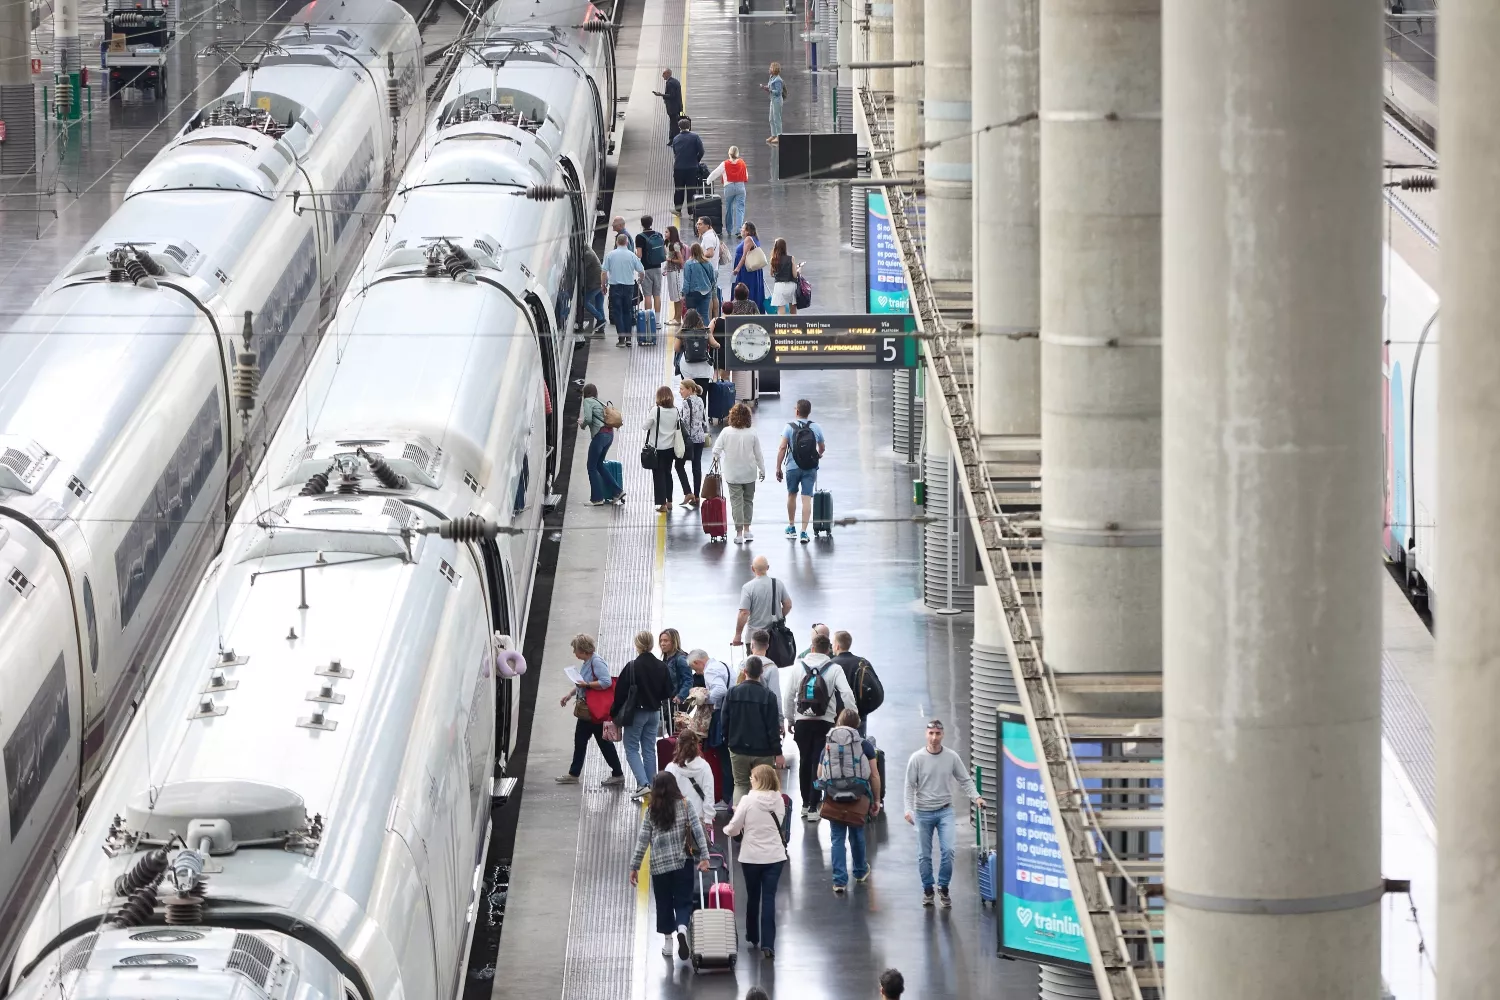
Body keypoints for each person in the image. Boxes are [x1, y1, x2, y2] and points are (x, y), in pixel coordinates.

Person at [903, 718, 986, 907]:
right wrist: (908, 809)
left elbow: (965, 780)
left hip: (945, 811)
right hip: (923, 812)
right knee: (924, 854)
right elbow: (909, 786)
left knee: (948, 850)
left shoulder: (951, 757)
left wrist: (977, 797)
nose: (934, 737)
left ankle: (943, 886)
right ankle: (928, 889)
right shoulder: (916, 759)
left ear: (943, 734)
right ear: (926, 734)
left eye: (937, 733)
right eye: (931, 733)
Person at [629, 772, 710, 962]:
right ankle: (682, 928)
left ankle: (668, 943)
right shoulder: (685, 804)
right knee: (683, 900)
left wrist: (635, 866)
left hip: (659, 866)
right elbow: (698, 831)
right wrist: (705, 856)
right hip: (682, 861)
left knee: (664, 903)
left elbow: (643, 841)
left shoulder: (651, 811)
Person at [783, 633, 857, 821]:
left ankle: (805, 804)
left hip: (802, 722)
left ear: (812, 648)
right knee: (819, 761)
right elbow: (846, 694)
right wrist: (853, 716)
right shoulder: (835, 668)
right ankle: (815, 806)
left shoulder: (798, 666)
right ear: (829, 650)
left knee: (804, 761)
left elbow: (788, 695)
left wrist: (790, 719)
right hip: (825, 722)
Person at [722, 765, 789, 959]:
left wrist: (728, 828)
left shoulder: (747, 800)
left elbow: (735, 829)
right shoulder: (779, 800)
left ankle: (752, 935)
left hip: (751, 858)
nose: (750, 780)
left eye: (752, 777)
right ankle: (769, 944)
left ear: (760, 779)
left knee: (753, 896)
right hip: (775, 857)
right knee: (769, 898)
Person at [818, 708, 882, 892]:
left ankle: (839, 880)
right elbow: (874, 775)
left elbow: (820, 773)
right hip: (858, 796)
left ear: (838, 722)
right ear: (857, 725)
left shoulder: (828, 745)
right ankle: (860, 871)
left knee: (837, 838)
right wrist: (876, 800)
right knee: (857, 835)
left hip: (834, 797)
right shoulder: (864, 746)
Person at [556, 633, 625, 786]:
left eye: (576, 650)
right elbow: (581, 682)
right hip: (588, 711)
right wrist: (569, 694)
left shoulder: (596, 662)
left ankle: (618, 774)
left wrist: (587, 685)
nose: (574, 653)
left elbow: (606, 682)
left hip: (594, 711)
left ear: (584, 650)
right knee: (582, 741)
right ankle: (574, 773)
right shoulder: (588, 661)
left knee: (602, 743)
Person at [611, 630, 674, 799]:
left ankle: (642, 784)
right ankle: (653, 785)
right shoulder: (662, 666)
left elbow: (620, 693)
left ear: (637, 645)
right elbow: (668, 691)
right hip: (654, 713)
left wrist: (614, 714)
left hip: (636, 713)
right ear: (652, 644)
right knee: (649, 749)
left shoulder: (632, 666)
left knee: (631, 748)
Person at [721, 655, 785, 803]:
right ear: (761, 672)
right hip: (763, 751)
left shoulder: (731, 693)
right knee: (763, 787)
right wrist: (778, 752)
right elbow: (772, 728)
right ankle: (760, 821)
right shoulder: (769, 696)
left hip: (738, 748)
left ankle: (740, 821)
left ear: (744, 671)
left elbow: (724, 722)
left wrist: (728, 741)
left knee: (740, 785)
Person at [710, 402, 765, 543]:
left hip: (732, 474)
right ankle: (747, 530)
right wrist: (762, 470)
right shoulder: (752, 433)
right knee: (748, 501)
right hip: (749, 473)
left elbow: (716, 450)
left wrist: (718, 458)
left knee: (736, 503)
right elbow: (758, 454)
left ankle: (739, 533)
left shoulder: (726, 432)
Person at [687, 647, 734, 805]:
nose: (698, 673)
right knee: (730, 757)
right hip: (733, 714)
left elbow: (720, 690)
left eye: (695, 669)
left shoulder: (710, 670)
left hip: (722, 715)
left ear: (697, 662)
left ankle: (728, 798)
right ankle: (731, 797)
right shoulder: (723, 665)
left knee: (725, 759)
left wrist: (704, 701)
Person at [776, 398, 826, 542]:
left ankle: (791, 527)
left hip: (792, 467)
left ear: (797, 411)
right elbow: (822, 447)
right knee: (806, 499)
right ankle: (804, 532)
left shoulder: (788, 427)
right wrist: (818, 455)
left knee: (792, 495)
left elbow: (782, 448)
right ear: (809, 412)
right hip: (810, 467)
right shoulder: (816, 427)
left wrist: (778, 467)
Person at [831, 630, 884, 735]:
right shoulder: (862, 663)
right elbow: (877, 690)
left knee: (835, 748)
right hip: (858, 717)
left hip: (835, 719)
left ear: (837, 646)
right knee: (858, 746)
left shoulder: (831, 665)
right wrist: (863, 712)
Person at [579, 384, 623, 505]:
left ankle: (597, 498)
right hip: (609, 435)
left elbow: (588, 418)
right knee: (599, 464)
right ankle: (618, 491)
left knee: (591, 467)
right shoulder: (599, 401)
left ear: (586, 394)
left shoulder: (588, 401)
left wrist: (582, 424)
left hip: (600, 436)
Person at [733, 555, 791, 647]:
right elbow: (788, 605)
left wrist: (738, 634)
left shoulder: (748, 588)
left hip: (754, 639)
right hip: (776, 638)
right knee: (774, 662)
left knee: (755, 661)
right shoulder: (778, 584)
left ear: (752, 568)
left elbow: (744, 613)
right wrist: (779, 617)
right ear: (767, 568)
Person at [666, 728, 717, 827]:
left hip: (676, 819)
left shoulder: (671, 768)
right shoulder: (704, 767)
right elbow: (708, 794)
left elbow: (667, 796)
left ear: (678, 745)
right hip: (698, 818)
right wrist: (708, 818)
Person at [642, 386, 681, 512]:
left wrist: (650, 413)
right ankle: (670, 501)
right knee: (668, 474)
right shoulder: (676, 411)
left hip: (657, 449)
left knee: (658, 476)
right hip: (670, 448)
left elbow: (645, 426)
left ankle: (662, 504)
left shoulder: (655, 410)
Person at [604, 232, 644, 347]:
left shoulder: (610, 255)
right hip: (629, 287)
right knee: (628, 311)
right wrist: (640, 280)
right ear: (626, 242)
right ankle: (628, 339)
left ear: (617, 242)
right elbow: (641, 271)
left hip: (615, 287)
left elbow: (603, 272)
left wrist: (604, 285)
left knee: (618, 312)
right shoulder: (632, 255)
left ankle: (621, 339)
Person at [674, 376, 709, 505]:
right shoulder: (700, 400)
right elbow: (702, 418)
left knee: (678, 465)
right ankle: (697, 495)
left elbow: (684, 422)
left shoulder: (686, 403)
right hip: (700, 438)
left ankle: (688, 492)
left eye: (682, 389)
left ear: (689, 389)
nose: (680, 392)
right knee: (696, 466)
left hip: (688, 440)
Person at [707, 145, 749, 241]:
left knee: (729, 208)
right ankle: (739, 230)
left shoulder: (724, 164)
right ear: (737, 154)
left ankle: (729, 230)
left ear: (729, 153)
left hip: (729, 187)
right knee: (740, 209)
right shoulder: (742, 163)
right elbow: (746, 175)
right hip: (740, 187)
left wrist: (708, 181)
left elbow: (715, 173)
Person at [635, 214, 666, 326]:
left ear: (642, 224)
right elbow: (664, 252)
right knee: (657, 295)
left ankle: (649, 322)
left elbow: (639, 255)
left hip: (646, 269)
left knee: (648, 295)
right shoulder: (659, 235)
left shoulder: (640, 237)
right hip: (657, 267)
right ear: (651, 222)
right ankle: (658, 321)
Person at [670, 116, 706, 213]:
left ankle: (678, 210)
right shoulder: (695, 137)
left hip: (678, 168)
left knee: (679, 189)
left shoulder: (676, 138)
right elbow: (701, 151)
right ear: (689, 126)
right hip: (692, 168)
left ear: (679, 127)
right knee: (691, 190)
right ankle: (691, 212)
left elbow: (675, 152)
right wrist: (696, 160)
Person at [732, 221, 766, 312]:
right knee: (754, 288)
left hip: (745, 270)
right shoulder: (755, 239)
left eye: (742, 228)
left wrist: (737, 268)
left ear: (747, 231)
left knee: (745, 287)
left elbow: (744, 256)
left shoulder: (748, 239)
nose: (741, 230)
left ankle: (742, 309)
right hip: (753, 270)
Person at [680, 245, 718, 325]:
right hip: (706, 292)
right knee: (704, 315)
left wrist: (684, 293)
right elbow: (713, 279)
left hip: (692, 294)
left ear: (692, 252)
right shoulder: (708, 263)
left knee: (691, 315)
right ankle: (707, 334)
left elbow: (687, 281)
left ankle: (692, 334)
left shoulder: (688, 264)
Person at [768, 237, 800, 314]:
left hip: (779, 287)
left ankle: (782, 325)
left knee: (781, 311)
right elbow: (795, 275)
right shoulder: (791, 258)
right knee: (793, 311)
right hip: (791, 286)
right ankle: (794, 325)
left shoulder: (773, 260)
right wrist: (798, 270)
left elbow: (772, 274)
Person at [660, 627, 692, 704]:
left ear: (674, 642)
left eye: (666, 641)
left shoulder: (681, 659)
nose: (662, 644)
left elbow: (688, 680)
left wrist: (680, 696)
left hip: (676, 703)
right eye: (661, 641)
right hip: (666, 703)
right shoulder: (665, 659)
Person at [653, 68, 683, 144]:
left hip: (673, 107)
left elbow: (672, 96)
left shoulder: (670, 83)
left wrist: (660, 94)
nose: (662, 75)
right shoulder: (675, 81)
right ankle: (671, 139)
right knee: (673, 123)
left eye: (664, 74)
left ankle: (675, 140)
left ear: (668, 74)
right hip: (677, 106)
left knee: (674, 125)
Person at [663, 224, 686, 327]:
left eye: (667, 232)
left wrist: (670, 260)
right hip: (670, 272)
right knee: (673, 295)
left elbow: (681, 260)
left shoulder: (675, 245)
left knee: (677, 296)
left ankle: (678, 318)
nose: (665, 233)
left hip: (675, 272)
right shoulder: (667, 244)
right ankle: (675, 317)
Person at [580, 245, 606, 333]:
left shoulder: (588, 254)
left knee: (585, 302)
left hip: (596, 283)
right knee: (599, 305)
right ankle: (601, 328)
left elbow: (581, 269)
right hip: (601, 281)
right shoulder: (589, 252)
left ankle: (600, 319)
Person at [760, 62, 785, 144]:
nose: (769, 69)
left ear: (774, 69)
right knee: (771, 119)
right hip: (773, 100)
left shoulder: (778, 80)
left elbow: (778, 92)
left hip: (777, 100)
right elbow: (770, 87)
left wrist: (769, 90)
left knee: (777, 118)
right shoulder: (771, 77)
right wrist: (765, 87)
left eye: (770, 68)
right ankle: (773, 135)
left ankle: (779, 135)